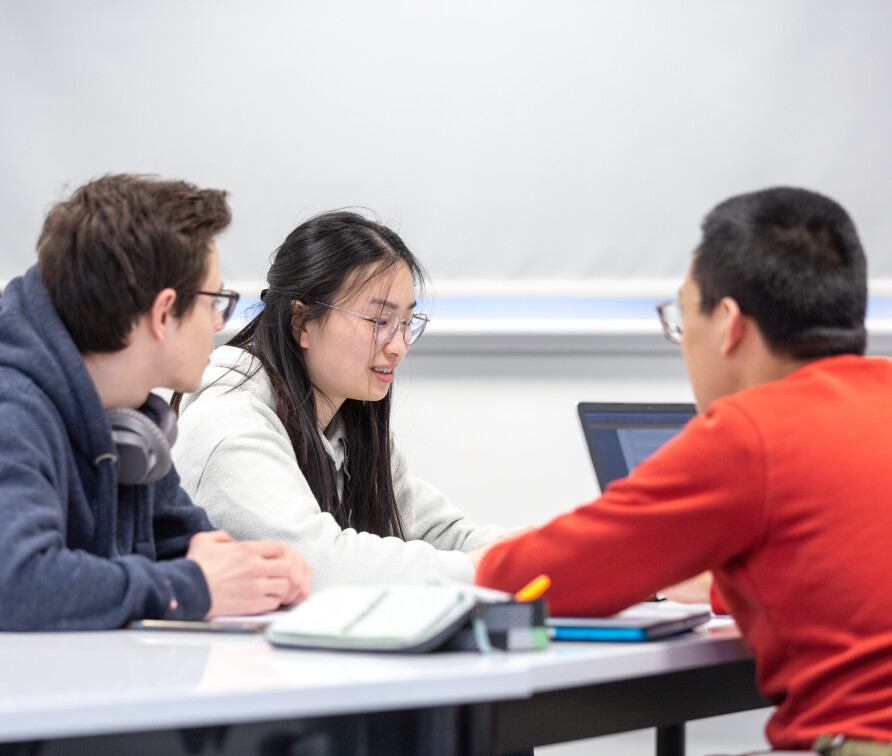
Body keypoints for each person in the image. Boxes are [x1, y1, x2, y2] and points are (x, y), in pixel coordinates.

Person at [475, 187, 892, 753]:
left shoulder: (749, 432)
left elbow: (518, 578)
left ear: (729, 324)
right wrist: (724, 586)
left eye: (680, 315)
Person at [0, 174, 312, 631]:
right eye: (215, 302)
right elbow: (16, 583)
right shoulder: (14, 410)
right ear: (164, 313)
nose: (218, 324)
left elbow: (190, 547)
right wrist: (187, 588)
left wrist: (258, 571)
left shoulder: (129, 416)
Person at [172, 210, 514, 590]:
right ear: (301, 322)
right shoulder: (229, 423)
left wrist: (530, 555)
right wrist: (481, 569)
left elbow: (445, 534)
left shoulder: (344, 426)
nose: (398, 346)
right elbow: (316, 567)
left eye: (406, 324)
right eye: (379, 322)